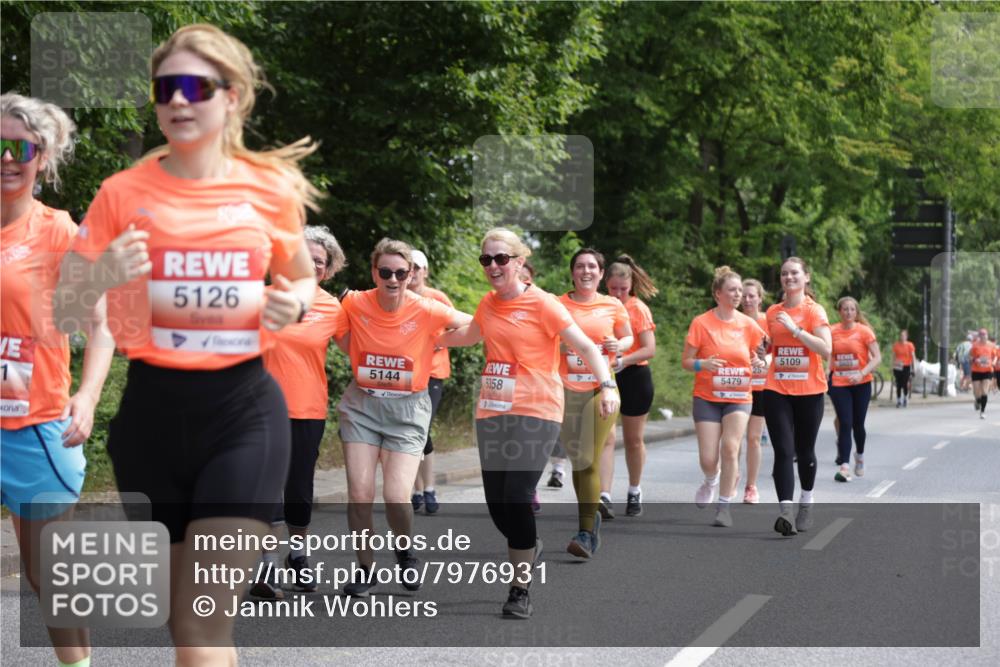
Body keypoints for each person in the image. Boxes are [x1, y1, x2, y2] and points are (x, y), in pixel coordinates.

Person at [55, 24, 321, 665]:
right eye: (164, 87)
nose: (177, 100)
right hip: (150, 420)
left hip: (242, 416)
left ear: (232, 96)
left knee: (203, 628)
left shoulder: (269, 189)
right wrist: (100, 274)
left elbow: (302, 281)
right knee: (183, 627)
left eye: (194, 86)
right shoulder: (124, 191)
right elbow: (63, 307)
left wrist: (294, 301)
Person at [438, 227, 619, 618]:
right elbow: (470, 334)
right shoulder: (488, 303)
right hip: (493, 409)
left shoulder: (544, 304)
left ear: (520, 263)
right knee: (497, 504)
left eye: (501, 258)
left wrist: (607, 386)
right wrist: (430, 340)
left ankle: (520, 588)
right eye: (486, 259)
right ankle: (528, 544)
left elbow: (585, 345)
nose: (493, 266)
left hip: (537, 409)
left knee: (518, 496)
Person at [2, 93, 115, 667]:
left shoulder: (59, 234)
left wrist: (88, 396)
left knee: (49, 580)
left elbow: (101, 324)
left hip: (34, 428)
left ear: (41, 158)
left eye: (19, 147)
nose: (6, 157)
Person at [337, 238, 471, 596]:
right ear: (374, 273)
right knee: (360, 494)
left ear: (411, 274)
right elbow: (333, 329)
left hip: (408, 410)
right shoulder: (354, 302)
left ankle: (405, 551)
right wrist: (358, 357)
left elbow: (474, 329)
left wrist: (439, 342)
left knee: (397, 496)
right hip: (362, 406)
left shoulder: (427, 309)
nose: (392, 279)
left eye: (400, 272)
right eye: (385, 272)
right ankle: (365, 569)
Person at [254, 226, 348, 599]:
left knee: (298, 488)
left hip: (308, 407)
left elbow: (359, 350)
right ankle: (267, 563)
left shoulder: (332, 307)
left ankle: (298, 553)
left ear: (328, 270)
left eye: (320, 263)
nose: (311, 267)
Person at [557, 248, 631, 549]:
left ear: (601, 274)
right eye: (580, 266)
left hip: (602, 390)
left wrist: (619, 344)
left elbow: (628, 337)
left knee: (588, 456)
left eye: (592, 267)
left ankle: (586, 533)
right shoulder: (557, 304)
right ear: (573, 272)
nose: (586, 271)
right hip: (565, 388)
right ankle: (588, 520)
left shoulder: (612, 305)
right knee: (578, 460)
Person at [682, 267, 766, 528]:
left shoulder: (749, 325)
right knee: (709, 458)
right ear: (718, 294)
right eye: (732, 289)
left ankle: (724, 506)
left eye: (740, 290)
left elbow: (759, 359)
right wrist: (702, 364)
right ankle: (711, 479)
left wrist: (759, 363)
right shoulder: (701, 323)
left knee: (730, 447)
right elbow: (686, 361)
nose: (738, 294)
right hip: (707, 396)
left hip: (739, 396)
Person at [763, 257, 832, 536]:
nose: (788, 277)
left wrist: (795, 329)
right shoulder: (772, 312)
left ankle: (807, 499)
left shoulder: (814, 311)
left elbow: (826, 349)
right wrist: (762, 357)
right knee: (783, 450)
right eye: (784, 274)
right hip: (776, 388)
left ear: (806, 278)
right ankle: (786, 512)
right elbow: (772, 349)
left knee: (805, 453)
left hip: (810, 390)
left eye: (794, 273)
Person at [599, 255, 658, 517]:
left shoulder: (638, 308)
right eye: (614, 289)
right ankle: (604, 495)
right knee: (607, 437)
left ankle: (634, 490)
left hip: (635, 375)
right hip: (607, 376)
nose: (619, 294)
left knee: (633, 440)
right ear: (606, 285)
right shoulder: (600, 306)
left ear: (631, 285)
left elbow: (650, 348)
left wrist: (625, 359)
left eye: (624, 289)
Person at [408, 248, 455, 515]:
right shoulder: (397, 298)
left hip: (433, 373)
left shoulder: (436, 298)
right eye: (409, 267)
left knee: (421, 429)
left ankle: (430, 488)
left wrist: (439, 342)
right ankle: (417, 490)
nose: (413, 272)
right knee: (410, 431)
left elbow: (459, 326)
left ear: (425, 271)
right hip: (405, 375)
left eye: (417, 267)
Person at [827, 297, 880, 481]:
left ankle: (860, 456)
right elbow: (829, 355)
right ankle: (844, 466)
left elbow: (877, 357)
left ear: (856, 312)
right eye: (845, 309)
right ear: (839, 311)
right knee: (845, 422)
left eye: (852, 309)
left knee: (858, 424)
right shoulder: (832, 331)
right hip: (840, 383)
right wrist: (828, 373)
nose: (848, 312)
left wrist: (861, 373)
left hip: (861, 383)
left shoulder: (864, 332)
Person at [739, 278, 769, 504]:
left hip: (760, 385)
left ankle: (751, 486)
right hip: (736, 385)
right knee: (733, 439)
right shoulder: (733, 320)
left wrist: (764, 359)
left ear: (760, 297)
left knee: (753, 438)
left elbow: (779, 351)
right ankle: (732, 475)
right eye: (745, 296)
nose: (748, 300)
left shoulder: (769, 321)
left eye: (752, 296)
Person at [970, 328, 996, 419]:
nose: (983, 337)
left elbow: (995, 356)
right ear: (979, 336)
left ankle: (983, 411)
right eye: (981, 335)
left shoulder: (991, 345)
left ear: (987, 336)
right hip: (976, 370)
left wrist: (993, 362)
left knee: (984, 391)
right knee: (977, 392)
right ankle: (977, 401)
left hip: (987, 370)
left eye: (984, 335)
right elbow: (970, 356)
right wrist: (975, 360)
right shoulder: (975, 345)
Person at [891, 329, 916, 407]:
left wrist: (914, 367)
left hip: (906, 366)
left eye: (903, 335)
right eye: (901, 335)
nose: (902, 337)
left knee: (904, 383)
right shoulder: (896, 345)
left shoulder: (910, 345)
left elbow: (913, 356)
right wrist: (891, 366)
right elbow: (893, 356)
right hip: (898, 366)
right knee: (898, 384)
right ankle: (898, 400)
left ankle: (905, 397)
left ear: (906, 337)